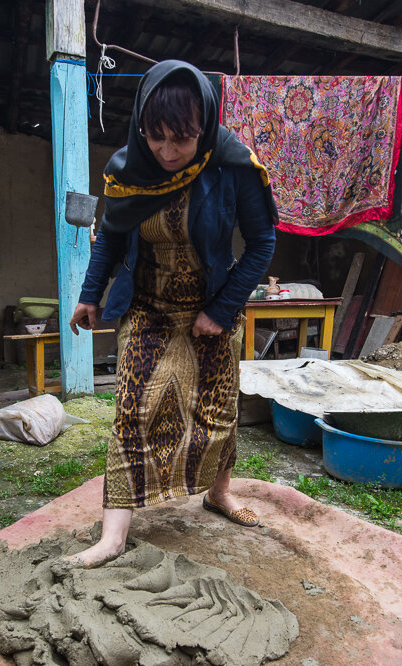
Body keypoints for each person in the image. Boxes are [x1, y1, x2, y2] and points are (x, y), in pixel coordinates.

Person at [67, 60, 278, 568]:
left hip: (212, 310)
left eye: (181, 140)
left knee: (217, 411)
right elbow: (111, 237)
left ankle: (218, 494)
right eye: (156, 137)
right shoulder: (126, 169)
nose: (166, 152)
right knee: (132, 410)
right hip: (148, 307)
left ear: (203, 126)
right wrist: (90, 293)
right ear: (142, 126)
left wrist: (223, 308)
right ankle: (113, 536)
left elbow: (262, 242)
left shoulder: (234, 165)